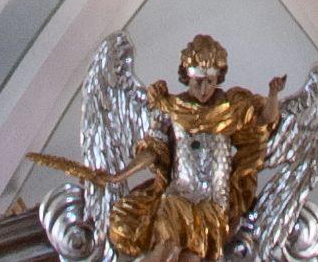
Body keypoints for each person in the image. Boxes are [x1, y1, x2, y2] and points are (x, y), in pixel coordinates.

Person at [105, 34, 283, 262]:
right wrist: (120, 175)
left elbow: (265, 119)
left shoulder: (230, 109)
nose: (204, 88)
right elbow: (153, 150)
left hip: (213, 203)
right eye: (198, 81)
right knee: (164, 249)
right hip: (179, 195)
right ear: (186, 76)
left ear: (218, 78)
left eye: (210, 81)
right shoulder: (170, 108)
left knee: (192, 258)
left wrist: (273, 95)